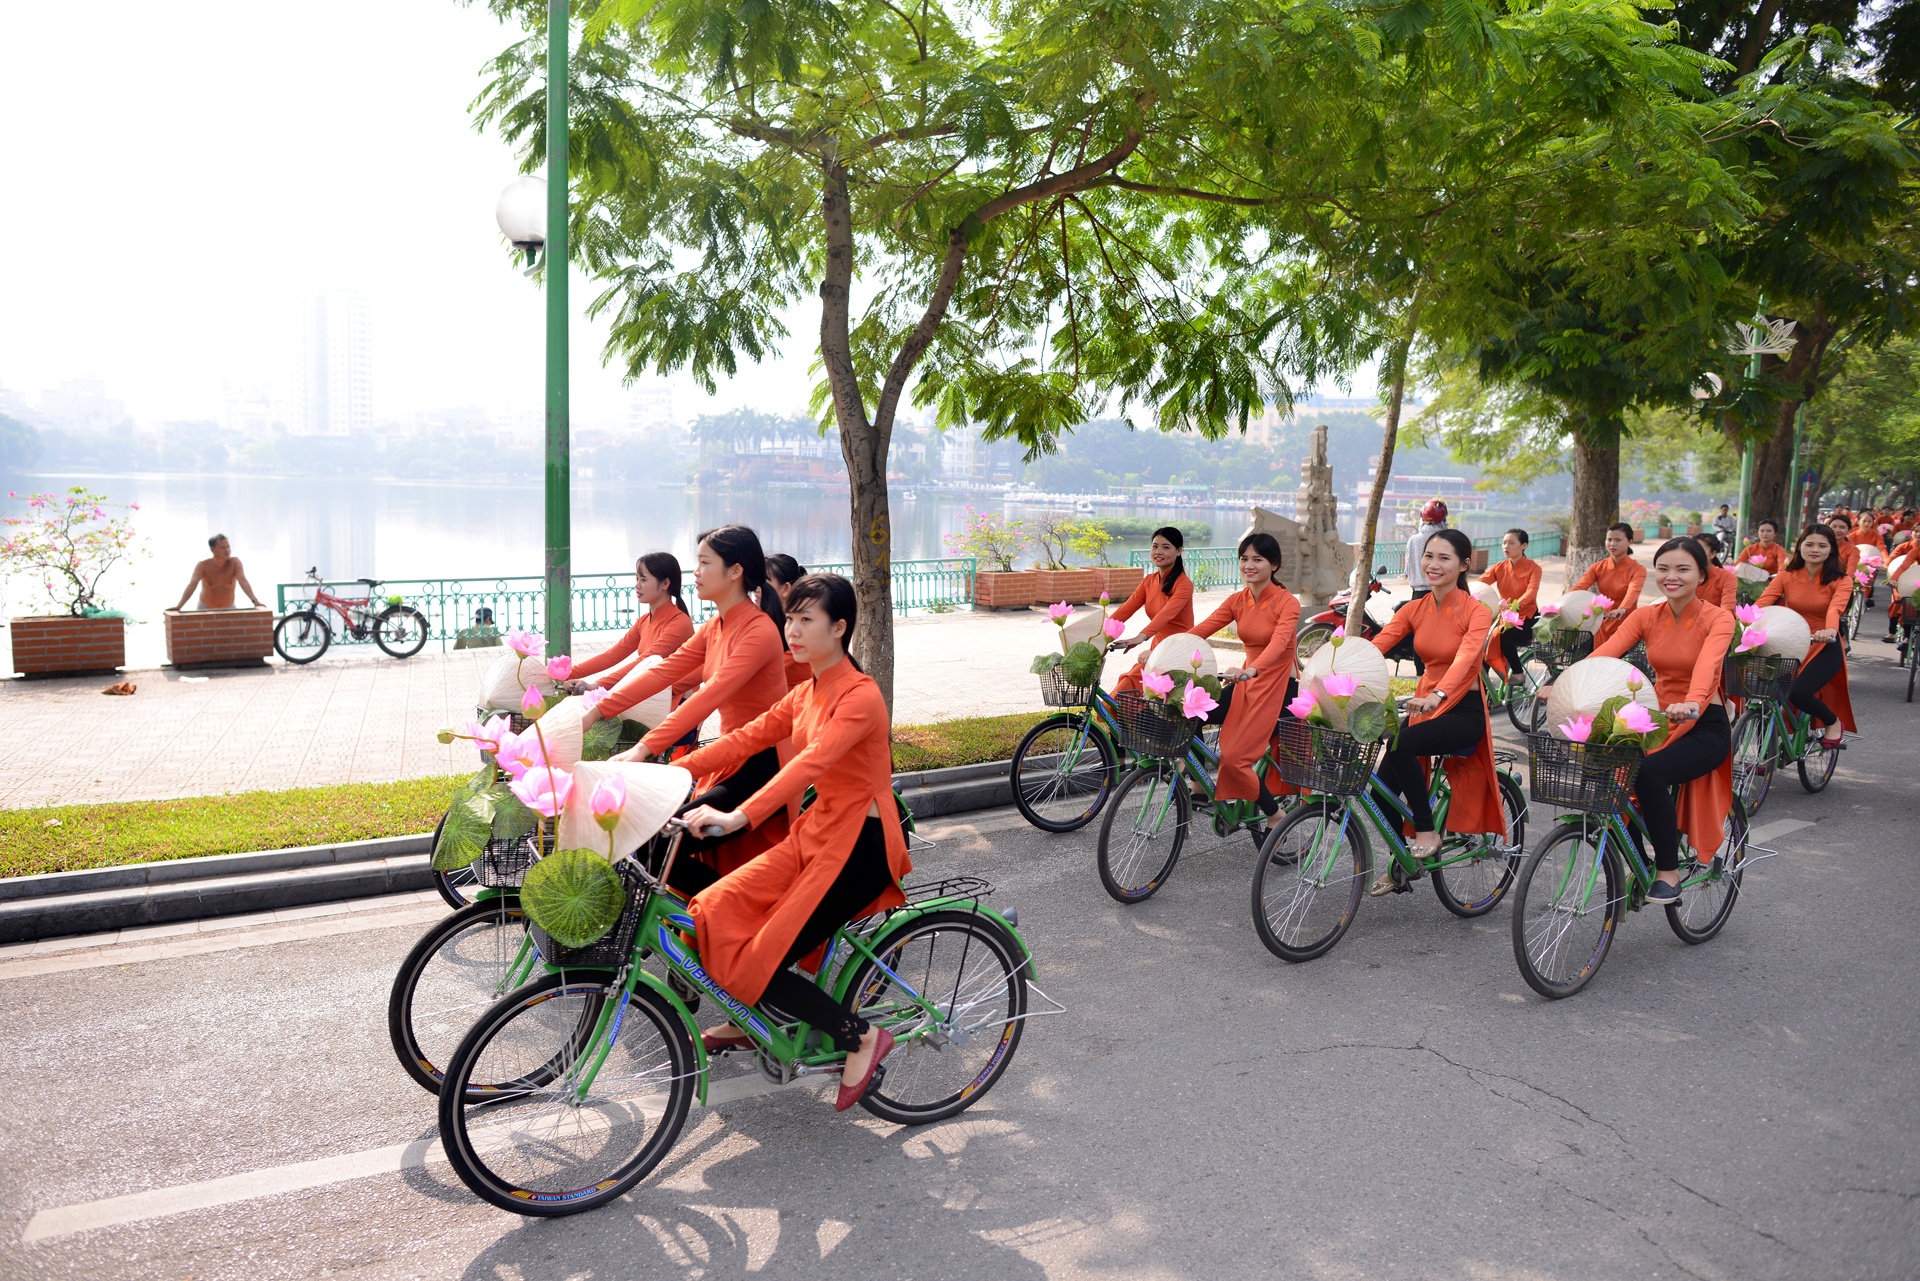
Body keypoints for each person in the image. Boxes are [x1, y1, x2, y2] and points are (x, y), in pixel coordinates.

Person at [675, 573, 912, 1110]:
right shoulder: (806, 690)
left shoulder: (860, 696)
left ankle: (862, 1036)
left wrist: (741, 816)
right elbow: (746, 737)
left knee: (765, 952)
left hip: (861, 845)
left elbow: (810, 763)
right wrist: (659, 767)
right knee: (713, 908)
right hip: (818, 832)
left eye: (807, 620)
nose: (794, 630)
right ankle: (751, 1015)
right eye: (790, 618)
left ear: (840, 627)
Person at [604, 525, 794, 878]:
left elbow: (708, 696)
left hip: (761, 764)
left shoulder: (759, 630)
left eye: (705, 562)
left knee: (659, 848)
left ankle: (729, 918)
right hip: (729, 756)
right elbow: (662, 673)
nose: (694, 572)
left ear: (735, 571)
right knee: (655, 844)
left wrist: (643, 748)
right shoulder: (715, 626)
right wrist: (596, 708)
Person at [1587, 539, 1735, 907]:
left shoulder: (1718, 617)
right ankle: (1639, 865)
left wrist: (1693, 702)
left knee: (1649, 773)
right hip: (1656, 720)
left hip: (1703, 723)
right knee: (1604, 775)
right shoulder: (1646, 615)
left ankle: (1668, 871)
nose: (1671, 577)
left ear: (1702, 575)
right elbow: (1607, 651)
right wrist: (1567, 682)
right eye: (1664, 568)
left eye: (1683, 569)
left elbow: (1707, 666)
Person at [1364, 529, 1504, 896]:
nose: (1434, 564)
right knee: (1380, 790)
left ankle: (1426, 830)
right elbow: (1378, 644)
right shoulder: (1414, 608)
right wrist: (1339, 669)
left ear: (1463, 565)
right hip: (1425, 705)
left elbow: (1467, 656)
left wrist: (1439, 693)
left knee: (1404, 742)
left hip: (1462, 709)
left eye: (1444, 558)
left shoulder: (1476, 610)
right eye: (1429, 556)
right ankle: (1403, 864)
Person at [1189, 532, 1300, 841]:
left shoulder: (1286, 602)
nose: (1249, 565)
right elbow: (1202, 629)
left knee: (1235, 757)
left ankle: (1275, 814)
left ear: (1274, 564)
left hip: (1278, 686)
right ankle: (1199, 787)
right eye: (1244, 559)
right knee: (1189, 711)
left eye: (1258, 560)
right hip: (1246, 682)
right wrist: (1165, 648)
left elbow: (1280, 643)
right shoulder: (1238, 600)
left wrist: (1252, 668)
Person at [1755, 525, 1855, 750]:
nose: (1814, 550)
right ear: (1800, 546)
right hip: (1787, 641)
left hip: (1822, 645)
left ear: (1831, 550)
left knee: (1799, 693)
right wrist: (1740, 621)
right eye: (1809, 544)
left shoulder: (1841, 580)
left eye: (1822, 545)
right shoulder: (1786, 576)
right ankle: (1763, 752)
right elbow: (1762, 603)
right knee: (1765, 696)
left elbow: (1835, 609)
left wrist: (1829, 630)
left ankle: (1832, 721)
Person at [564, 552, 697, 702]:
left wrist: (597, 685)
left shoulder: (678, 623)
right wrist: (563, 674)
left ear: (665, 584)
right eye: (637, 579)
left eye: (643, 580)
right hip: (651, 699)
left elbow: (644, 663)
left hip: (677, 704)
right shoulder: (644, 621)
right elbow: (610, 656)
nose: (637, 585)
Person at [1110, 527, 1195, 693]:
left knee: (1139, 696)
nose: (1158, 551)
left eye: (1166, 547)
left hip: (1177, 650)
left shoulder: (1183, 584)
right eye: (1155, 546)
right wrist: (1102, 631)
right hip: (1157, 649)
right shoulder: (1149, 581)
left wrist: (1140, 637)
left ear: (1179, 551)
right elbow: (1126, 608)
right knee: (1124, 690)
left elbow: (1166, 614)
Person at [1477, 528, 1541, 675]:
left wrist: (1515, 605)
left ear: (1523, 545)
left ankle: (1518, 673)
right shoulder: (1499, 567)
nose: (1506, 546)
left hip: (1527, 619)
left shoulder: (1534, 568)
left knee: (1502, 636)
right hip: (1505, 618)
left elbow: (1531, 592)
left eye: (1511, 543)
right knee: (1484, 643)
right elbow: (1480, 584)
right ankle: (1483, 688)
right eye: (1504, 543)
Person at [1570, 522, 1647, 646]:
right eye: (1609, 539)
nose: (1612, 544)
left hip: (1625, 618)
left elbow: (1633, 591)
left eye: (1618, 540)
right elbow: (1580, 586)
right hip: (1602, 618)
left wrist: (1622, 609)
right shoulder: (1598, 567)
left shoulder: (1638, 569)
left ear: (1630, 541)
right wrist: (1564, 602)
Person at [173, 534, 263, 610]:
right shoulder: (203, 566)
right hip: (205, 608)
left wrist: (255, 602)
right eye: (223, 547)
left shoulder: (235, 563)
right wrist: (179, 606)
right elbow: (192, 585)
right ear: (213, 549)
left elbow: (243, 581)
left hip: (229, 607)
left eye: (228, 547)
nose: (227, 550)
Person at [766, 554, 813, 689]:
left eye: (765, 583)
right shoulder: (768, 617)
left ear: (786, 588)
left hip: (802, 698)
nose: (757, 589)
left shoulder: (803, 623)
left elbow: (770, 666)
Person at [1405, 501, 1449, 600]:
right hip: (1441, 593)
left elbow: (1408, 569)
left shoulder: (1413, 540)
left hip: (1417, 594)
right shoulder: (1447, 540)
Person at [1694, 532, 1737, 610]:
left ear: (1713, 554)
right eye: (1693, 550)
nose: (1695, 554)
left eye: (1700, 550)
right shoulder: (1682, 575)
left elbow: (1727, 610)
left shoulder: (1726, 578)